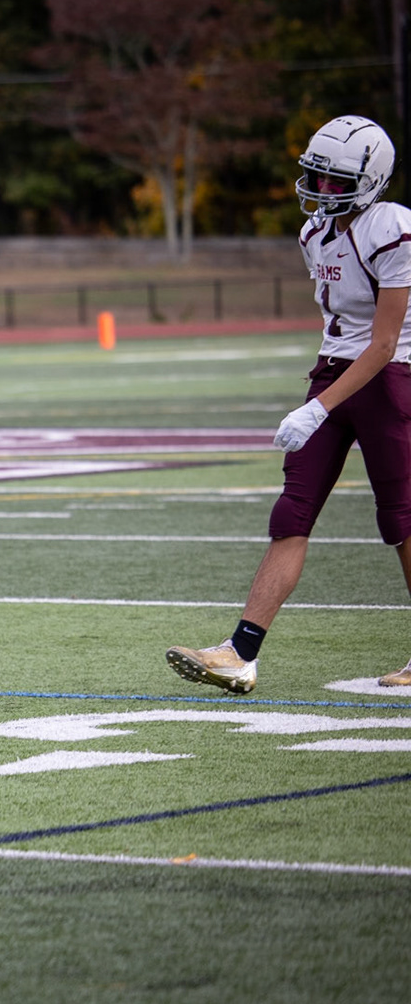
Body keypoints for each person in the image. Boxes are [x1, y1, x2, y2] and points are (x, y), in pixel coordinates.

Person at [169, 114, 411, 693]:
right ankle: (240, 652)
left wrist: (318, 407)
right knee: (292, 512)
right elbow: (343, 327)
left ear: (372, 178)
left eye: (336, 181)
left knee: (401, 521)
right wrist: (321, 397)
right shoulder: (312, 234)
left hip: (391, 374)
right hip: (334, 372)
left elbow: (382, 343)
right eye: (317, 178)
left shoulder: (393, 229)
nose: (323, 191)